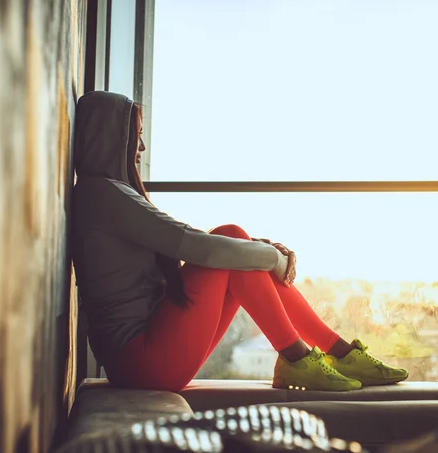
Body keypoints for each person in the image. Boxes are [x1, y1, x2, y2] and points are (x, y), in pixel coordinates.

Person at [72, 90, 408, 393]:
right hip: (141, 362)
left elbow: (195, 245)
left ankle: (337, 354)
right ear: (110, 136)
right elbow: (196, 246)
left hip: (150, 353)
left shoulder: (108, 194)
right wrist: (270, 257)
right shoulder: (100, 193)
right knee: (232, 239)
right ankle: (298, 359)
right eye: (136, 136)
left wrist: (254, 249)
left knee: (237, 247)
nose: (141, 148)